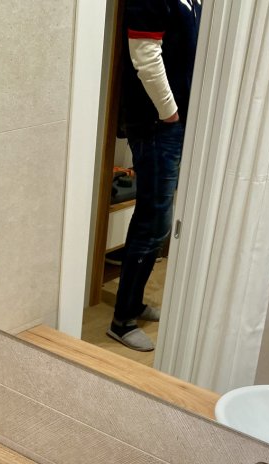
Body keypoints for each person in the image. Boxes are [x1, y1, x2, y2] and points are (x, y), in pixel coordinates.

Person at [108, 0, 201, 353]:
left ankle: (133, 304)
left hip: (169, 124)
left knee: (156, 220)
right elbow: (145, 55)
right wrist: (170, 113)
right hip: (156, 125)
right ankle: (122, 321)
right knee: (152, 222)